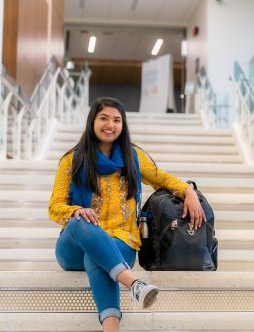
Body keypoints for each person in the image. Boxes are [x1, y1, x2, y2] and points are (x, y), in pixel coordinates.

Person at [48, 96, 206, 332]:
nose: (110, 124)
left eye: (116, 120)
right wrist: (76, 210)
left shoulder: (133, 157)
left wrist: (188, 191)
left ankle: (111, 328)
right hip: (74, 246)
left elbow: (160, 177)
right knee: (82, 221)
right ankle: (134, 284)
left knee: (98, 255)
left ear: (123, 125)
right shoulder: (72, 160)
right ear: (92, 121)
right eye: (103, 118)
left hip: (122, 242)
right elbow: (54, 206)